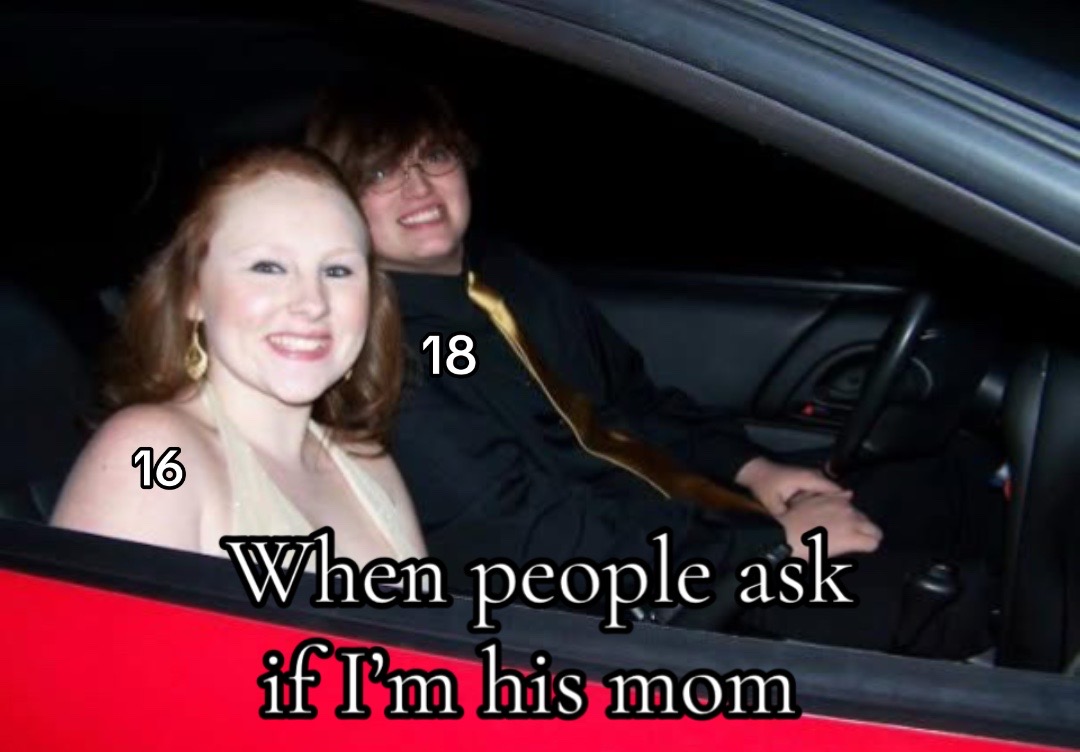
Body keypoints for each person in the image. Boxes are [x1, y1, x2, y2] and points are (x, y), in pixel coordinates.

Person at [306, 80, 998, 655]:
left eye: (433, 156)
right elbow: (530, 542)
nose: (418, 186)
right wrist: (771, 549)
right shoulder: (384, 358)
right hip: (642, 596)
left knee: (947, 478)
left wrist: (753, 469)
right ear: (341, 206)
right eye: (379, 173)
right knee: (953, 602)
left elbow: (634, 402)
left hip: (688, 519)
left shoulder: (512, 275)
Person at [51, 146, 427, 567]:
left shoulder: (370, 467)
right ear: (193, 293)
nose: (312, 303)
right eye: (268, 267)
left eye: (337, 271)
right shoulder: (152, 453)